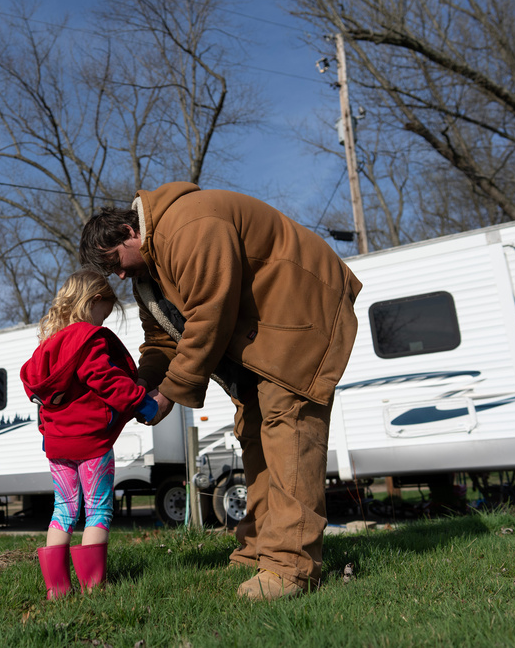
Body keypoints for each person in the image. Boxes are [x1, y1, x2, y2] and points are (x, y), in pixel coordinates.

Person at [79, 182, 362, 600]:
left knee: (289, 424)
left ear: (128, 232)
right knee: (253, 429)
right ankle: (258, 549)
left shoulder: (189, 224)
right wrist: (140, 385)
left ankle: (291, 567)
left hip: (299, 310)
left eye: (115, 263)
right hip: (260, 335)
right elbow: (161, 343)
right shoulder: (149, 278)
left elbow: (210, 314)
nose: (118, 275)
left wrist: (169, 394)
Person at [20, 269, 160, 599]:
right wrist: (143, 404)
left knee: (63, 510)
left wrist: (46, 434)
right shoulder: (88, 339)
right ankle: (93, 587)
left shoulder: (46, 347)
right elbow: (106, 380)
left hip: (56, 445)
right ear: (93, 300)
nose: (102, 323)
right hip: (91, 443)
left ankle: (56, 590)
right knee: (98, 511)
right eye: (104, 314)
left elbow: (43, 402)